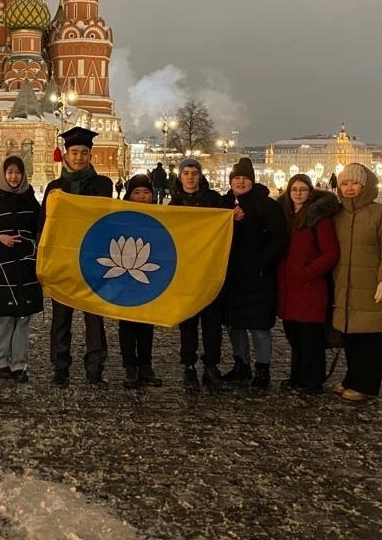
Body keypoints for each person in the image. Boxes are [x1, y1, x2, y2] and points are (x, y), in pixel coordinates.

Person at [39, 126, 114, 387]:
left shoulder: (102, 184)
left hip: (94, 262)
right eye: (74, 152)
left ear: (90, 155)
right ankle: (60, 367)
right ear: (66, 155)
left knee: (94, 318)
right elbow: (44, 225)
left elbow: (99, 215)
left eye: (84, 152)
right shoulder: (54, 187)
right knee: (61, 318)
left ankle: (95, 368)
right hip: (62, 262)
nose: (79, 157)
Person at [332, 163, 382, 402]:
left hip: (371, 286)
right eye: (344, 184)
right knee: (350, 337)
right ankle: (352, 378)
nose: (349, 188)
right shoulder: (337, 214)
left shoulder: (381, 214)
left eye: (354, 183)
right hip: (345, 286)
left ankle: (366, 385)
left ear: (365, 186)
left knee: (370, 339)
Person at [219, 157, 288, 389]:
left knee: (259, 326)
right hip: (231, 276)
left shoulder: (265, 204)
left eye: (245, 178)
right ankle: (241, 364)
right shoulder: (225, 204)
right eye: (236, 178)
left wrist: (263, 262)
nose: (240, 182)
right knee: (234, 323)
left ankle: (262, 369)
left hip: (259, 276)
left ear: (252, 181)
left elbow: (280, 238)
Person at [0, 155, 42, 383]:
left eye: (17, 172)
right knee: (4, 318)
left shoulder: (32, 202)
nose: (14, 177)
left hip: (26, 268)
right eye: (9, 172)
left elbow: (42, 229)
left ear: (23, 174)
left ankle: (19, 365)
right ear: (3, 175)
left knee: (23, 318)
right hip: (3, 269)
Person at [276, 174, 340, 394]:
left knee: (310, 337)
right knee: (294, 336)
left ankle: (312, 380)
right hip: (288, 287)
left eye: (302, 189)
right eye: (294, 189)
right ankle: (297, 376)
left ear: (310, 192)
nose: (298, 193)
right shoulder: (285, 215)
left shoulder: (319, 219)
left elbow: (331, 253)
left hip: (310, 287)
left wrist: (309, 271)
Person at [168, 157, 227, 391]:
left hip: (211, 270)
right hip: (186, 274)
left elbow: (226, 225)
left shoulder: (214, 201)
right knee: (188, 324)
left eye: (194, 173)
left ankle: (211, 365)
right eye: (186, 173)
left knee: (212, 323)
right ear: (180, 176)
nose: (190, 177)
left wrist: (232, 219)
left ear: (200, 176)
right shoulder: (174, 206)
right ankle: (189, 366)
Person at [118, 173, 164, 388]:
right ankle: (130, 367)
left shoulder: (162, 216)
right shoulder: (119, 216)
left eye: (146, 192)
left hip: (149, 275)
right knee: (127, 324)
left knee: (146, 324)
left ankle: (146, 365)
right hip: (124, 276)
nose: (142, 196)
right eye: (137, 192)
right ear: (129, 196)